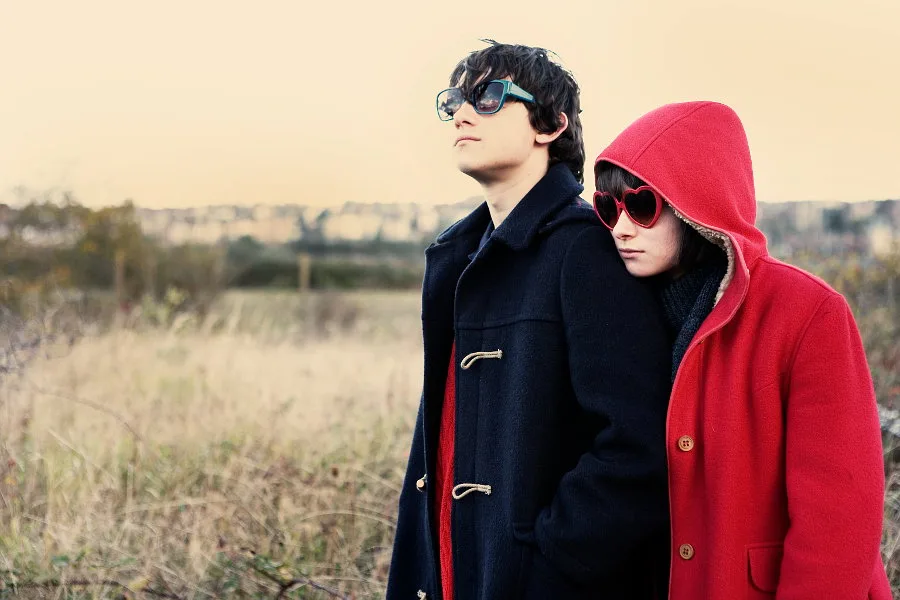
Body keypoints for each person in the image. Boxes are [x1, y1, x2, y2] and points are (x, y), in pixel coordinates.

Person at [385, 41, 672, 599]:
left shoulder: (584, 251)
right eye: (454, 102)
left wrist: (543, 563)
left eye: (489, 97)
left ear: (551, 124)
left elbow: (637, 445)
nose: (462, 115)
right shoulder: (458, 257)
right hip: (452, 574)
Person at [592, 100, 892, 599]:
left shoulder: (807, 312)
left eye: (642, 206)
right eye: (608, 207)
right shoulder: (619, 314)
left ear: (697, 204)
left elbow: (838, 522)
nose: (621, 227)